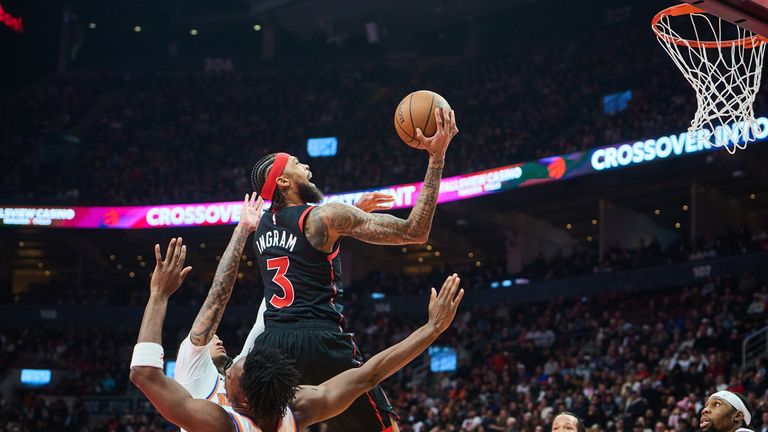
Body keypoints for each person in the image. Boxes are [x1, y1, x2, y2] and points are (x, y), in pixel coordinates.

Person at [249, 107, 458, 431]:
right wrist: (436, 159)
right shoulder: (325, 216)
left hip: (271, 344)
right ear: (283, 181)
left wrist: (351, 216)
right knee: (384, 427)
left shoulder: (261, 227)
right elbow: (415, 231)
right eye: (297, 163)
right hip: (319, 340)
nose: (306, 166)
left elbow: (303, 250)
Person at [129, 237, 464, 432]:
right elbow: (370, 374)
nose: (227, 370)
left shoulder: (221, 424)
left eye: (229, 375)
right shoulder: (296, 408)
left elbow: (144, 374)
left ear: (242, 401)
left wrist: (158, 295)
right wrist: (432, 328)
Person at [173, 194, 265, 413]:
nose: (219, 339)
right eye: (212, 338)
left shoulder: (237, 373)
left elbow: (262, 322)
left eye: (217, 337)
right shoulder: (191, 369)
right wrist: (242, 230)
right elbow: (216, 299)